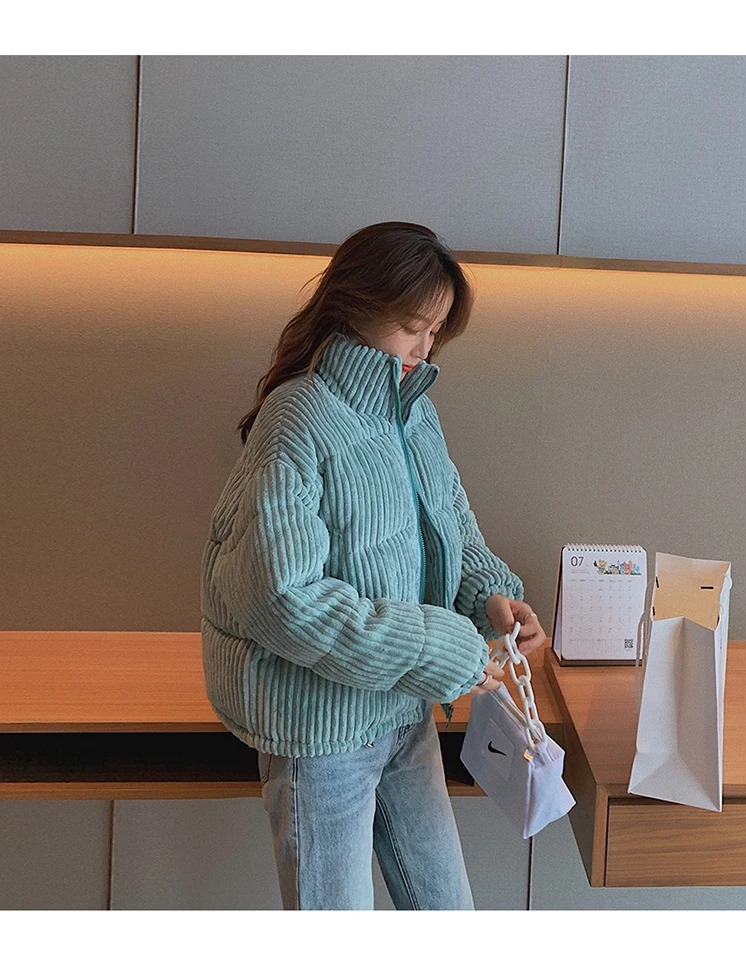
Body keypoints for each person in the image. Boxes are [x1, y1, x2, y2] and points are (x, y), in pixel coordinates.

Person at [200, 220, 546, 909]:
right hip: (321, 731)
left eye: (435, 332)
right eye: (413, 327)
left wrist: (488, 597)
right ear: (357, 306)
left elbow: (451, 527)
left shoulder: (414, 414)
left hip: (404, 715)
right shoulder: (297, 419)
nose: (424, 348)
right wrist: (447, 649)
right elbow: (283, 599)